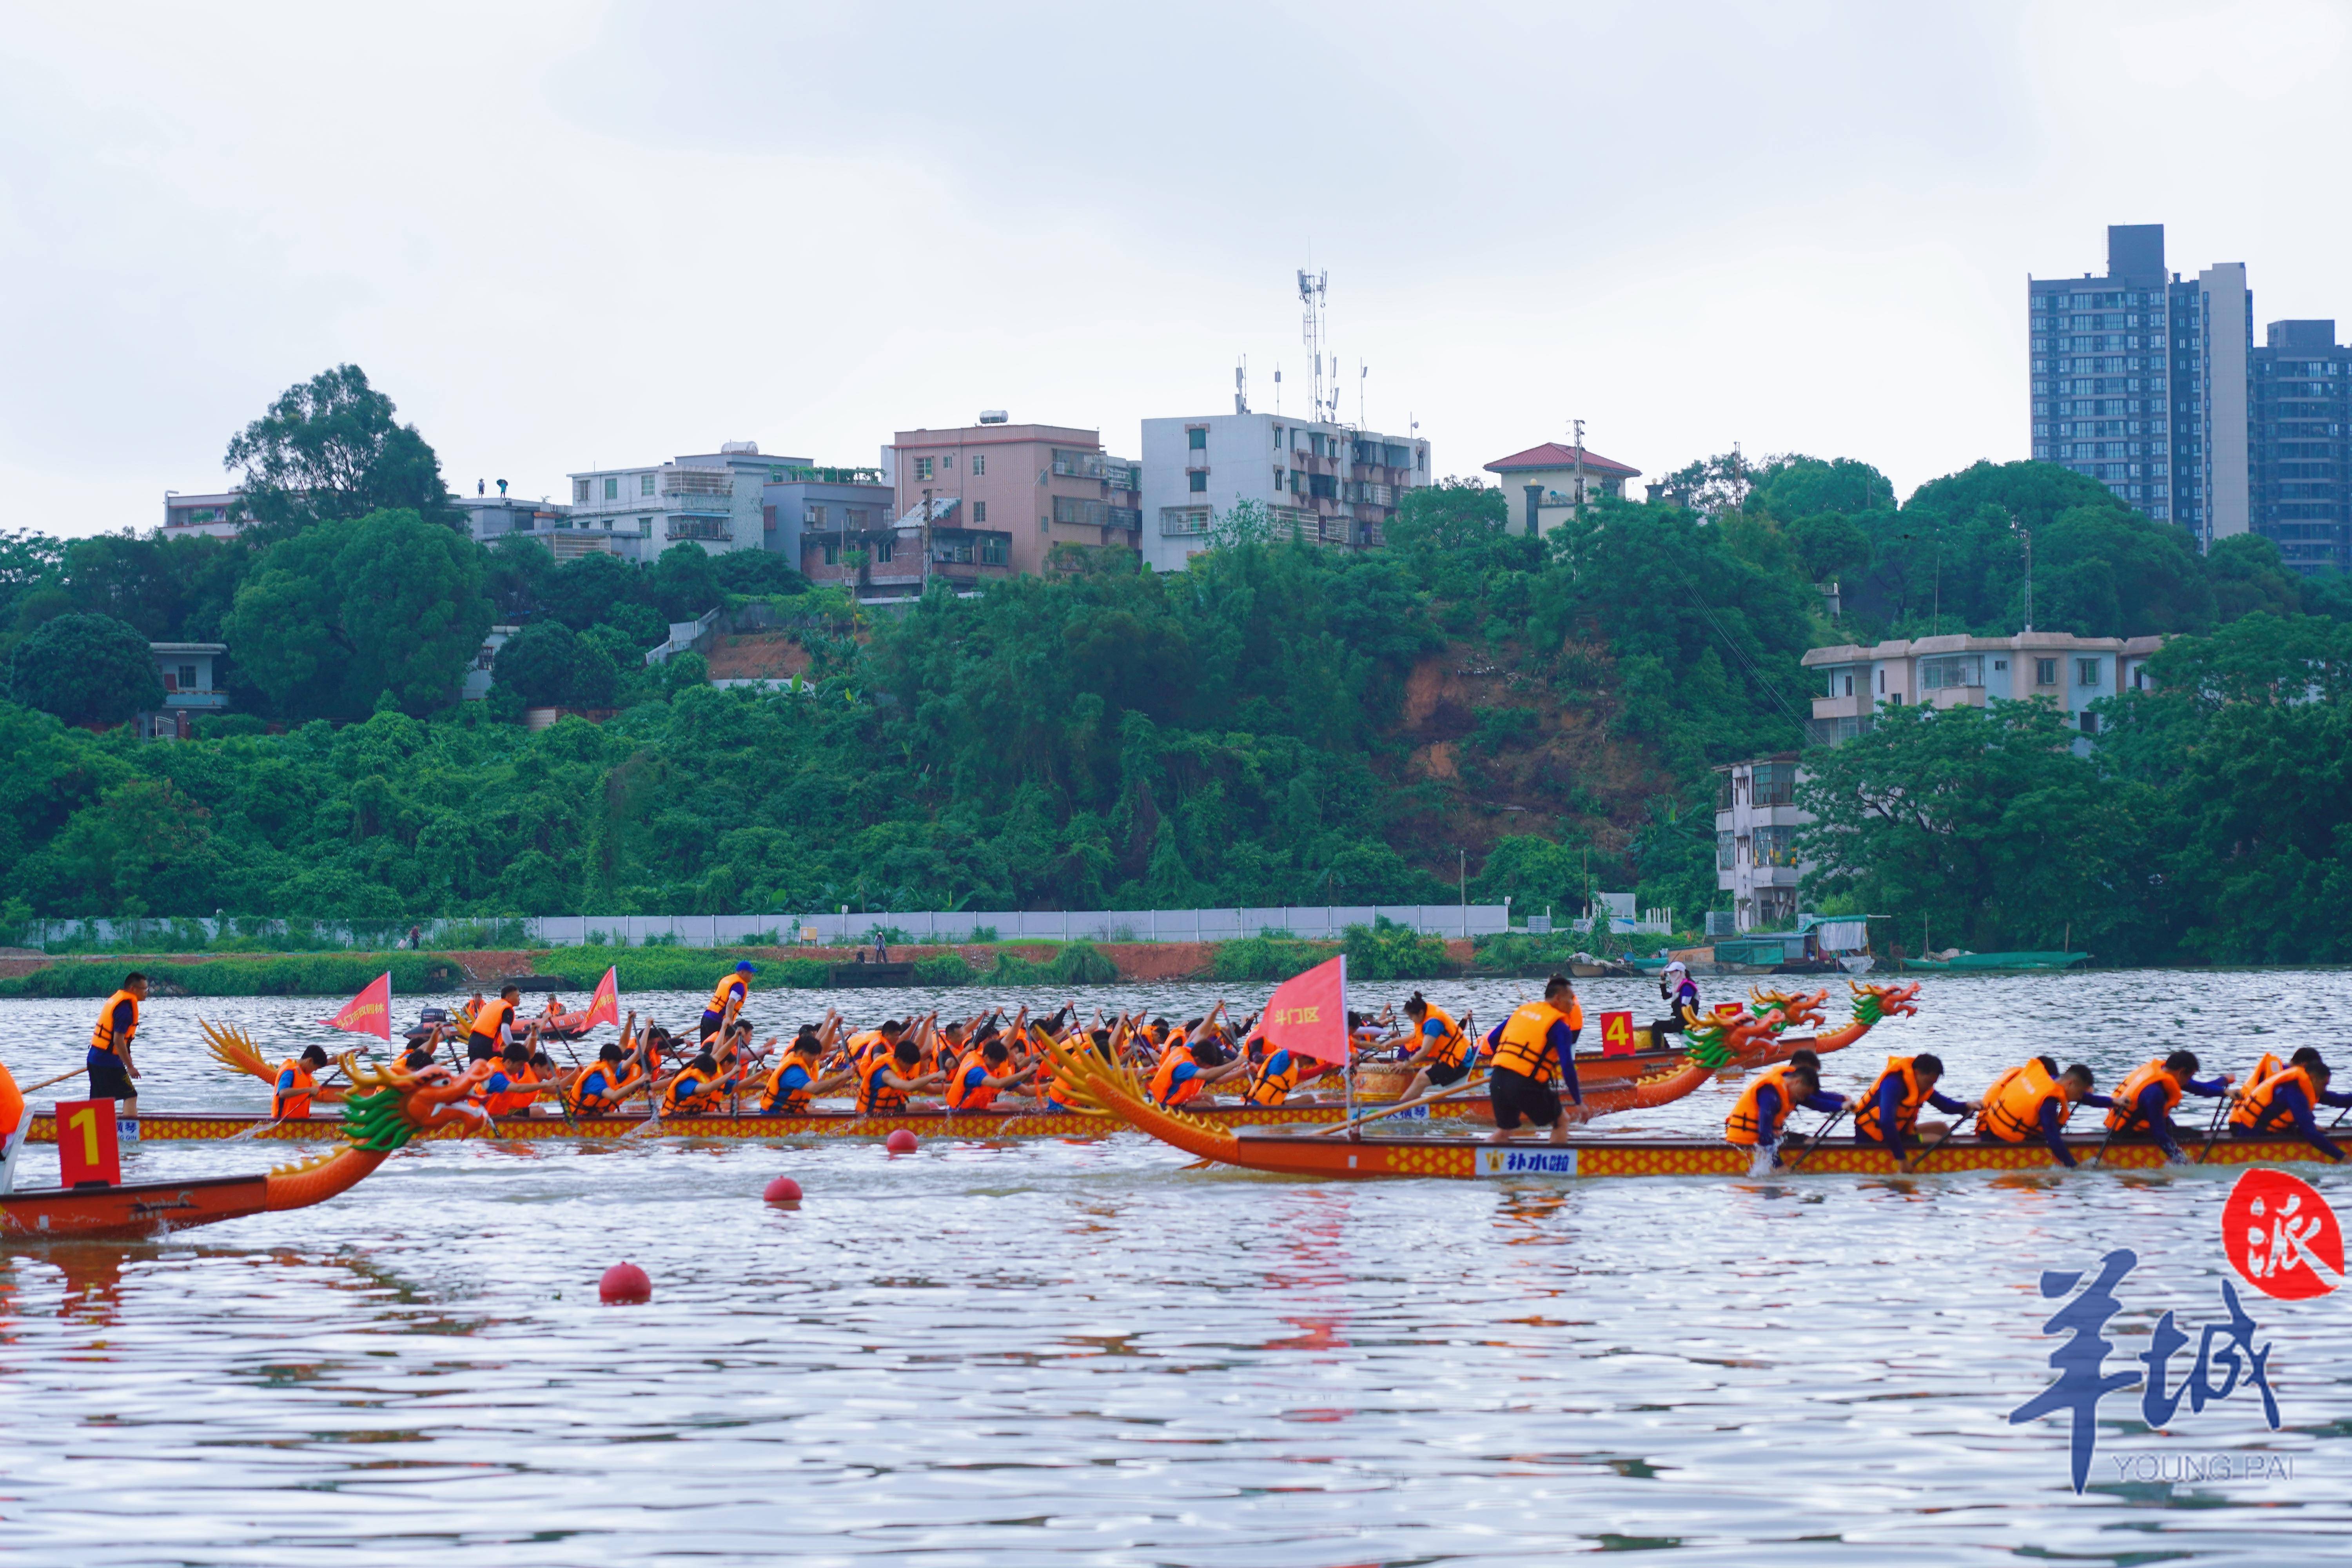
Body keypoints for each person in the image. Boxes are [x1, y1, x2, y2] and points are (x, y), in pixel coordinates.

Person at [1482, 974, 1583, 1145]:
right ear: (1558, 998)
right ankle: (1553, 1168)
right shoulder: (1560, 1027)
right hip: (1525, 1084)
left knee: (1504, 1131)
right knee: (1562, 1122)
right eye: (1571, 998)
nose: (1573, 1004)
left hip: (1498, 1078)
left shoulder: (1522, 1011)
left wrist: (1509, 1061)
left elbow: (1492, 1039)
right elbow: (1567, 1066)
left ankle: (1477, 1159)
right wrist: (1578, 1102)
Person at [1978, 1056, 2110, 1169]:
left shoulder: (2045, 1080)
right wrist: (2074, 1167)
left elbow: (2083, 1097)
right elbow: (2053, 1139)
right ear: (2070, 1084)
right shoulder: (2049, 1101)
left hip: (1989, 1129)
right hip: (2000, 1141)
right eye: (2081, 1093)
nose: (2080, 1098)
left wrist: (2114, 1102)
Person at [2104, 1049, 2234, 1163]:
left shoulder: (2165, 1073)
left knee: (2184, 1131)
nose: (2189, 1081)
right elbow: (2159, 1134)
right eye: (2190, 1077)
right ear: (2182, 1072)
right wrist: (2181, 1160)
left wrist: (2224, 1085)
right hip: (2126, 1134)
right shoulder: (2155, 1093)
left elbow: (2199, 1088)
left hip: (2120, 1127)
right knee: (2192, 1135)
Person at [1853, 1053, 1975, 1163]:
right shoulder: (1893, 1085)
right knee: (1937, 1139)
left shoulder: (1921, 1085)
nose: (1930, 1087)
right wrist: (1902, 1159)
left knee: (1942, 1128)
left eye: (1934, 1083)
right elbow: (1886, 1123)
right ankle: (1946, 1166)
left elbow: (1947, 1107)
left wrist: (1967, 1106)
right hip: (1873, 1138)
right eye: (1929, 1082)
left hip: (1899, 1132)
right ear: (1917, 1073)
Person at [1724, 1057, 1845, 1165]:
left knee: (1809, 1141)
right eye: (1804, 1095)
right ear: (1798, 1082)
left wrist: (1842, 1104)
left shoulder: (1790, 1088)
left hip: (1766, 1136)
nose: (1803, 1099)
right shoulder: (1771, 1094)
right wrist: (1778, 1166)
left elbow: (1816, 1103)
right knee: (1806, 1142)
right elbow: (1764, 1133)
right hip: (1747, 1141)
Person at [2230, 1053, 2350, 1161]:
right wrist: (2344, 1158)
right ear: (2313, 1078)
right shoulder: (2294, 1092)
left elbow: (2339, 1100)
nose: (2325, 1089)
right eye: (2324, 1084)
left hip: (2269, 1131)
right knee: (2311, 1132)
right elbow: (2311, 1134)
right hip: (2251, 1136)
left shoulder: (2307, 1087)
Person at [1392, 993, 1475, 1103]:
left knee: (1422, 1079)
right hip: (1455, 1059)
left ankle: (1397, 1108)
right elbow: (1411, 1037)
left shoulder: (1433, 1023)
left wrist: (1405, 1064)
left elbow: (1425, 1051)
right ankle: (1409, 1106)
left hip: (1461, 1062)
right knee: (1422, 1074)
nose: (1411, 1019)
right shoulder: (1425, 1017)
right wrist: (1390, 1044)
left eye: (1411, 1016)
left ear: (1421, 1013)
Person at [88, 972, 148, 1123]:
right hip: (108, 1062)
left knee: (100, 1100)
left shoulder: (120, 1002)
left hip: (95, 1058)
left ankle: (96, 1129)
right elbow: (118, 1041)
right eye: (144, 989)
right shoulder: (125, 1009)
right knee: (130, 1095)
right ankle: (130, 1135)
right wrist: (130, 1067)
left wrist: (127, 1059)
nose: (147, 993)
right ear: (133, 989)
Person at [945, 1038, 1037, 1111]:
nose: (998, 1066)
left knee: (1014, 1107)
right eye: (997, 1062)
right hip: (960, 1112)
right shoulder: (976, 1072)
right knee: (1012, 1107)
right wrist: (1026, 1072)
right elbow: (998, 1084)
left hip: (974, 1110)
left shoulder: (988, 1065)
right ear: (986, 1057)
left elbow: (1028, 1091)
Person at [566, 1041, 648, 1117]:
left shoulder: (610, 1072)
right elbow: (614, 1096)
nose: (617, 1066)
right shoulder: (595, 1079)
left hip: (595, 1112)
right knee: (626, 1117)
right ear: (605, 1061)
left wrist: (647, 1026)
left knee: (625, 1115)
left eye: (619, 1063)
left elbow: (636, 1052)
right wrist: (638, 1082)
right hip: (581, 1116)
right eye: (615, 1063)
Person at [857, 1038, 938, 1115]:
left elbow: (933, 1089)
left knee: (923, 1106)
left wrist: (951, 1088)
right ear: (899, 1060)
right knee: (923, 1108)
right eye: (909, 1064)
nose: (911, 1068)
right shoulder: (887, 1074)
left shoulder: (898, 1067)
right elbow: (908, 1087)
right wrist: (935, 1076)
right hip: (873, 1114)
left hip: (888, 1108)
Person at [659, 1047, 740, 1117]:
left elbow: (719, 1055)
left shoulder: (700, 1076)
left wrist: (736, 1036)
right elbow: (709, 1088)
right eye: (711, 1074)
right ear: (704, 1071)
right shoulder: (687, 1083)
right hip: (671, 1118)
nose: (712, 1077)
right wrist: (732, 1073)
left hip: (689, 1114)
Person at [481, 1042, 544, 1120]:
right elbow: (519, 1089)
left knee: (538, 1112)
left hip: (498, 1114)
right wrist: (546, 1084)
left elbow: (530, 1055)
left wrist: (534, 1034)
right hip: (484, 1117)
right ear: (508, 1062)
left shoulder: (508, 1069)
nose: (521, 1068)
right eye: (520, 1065)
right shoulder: (497, 1077)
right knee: (536, 1114)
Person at [272, 1044, 331, 1121]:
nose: (314, 1071)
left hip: (298, 1121)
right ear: (310, 1061)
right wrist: (308, 1090)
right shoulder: (290, 1072)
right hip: (283, 1122)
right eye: (315, 1068)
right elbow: (283, 1093)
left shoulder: (304, 1074)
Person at [1648, 962, 1698, 1052]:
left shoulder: (1687, 987)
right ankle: (1666, 1049)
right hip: (1681, 1020)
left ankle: (1658, 1051)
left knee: (1657, 1025)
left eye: (1673, 972)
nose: (1671, 975)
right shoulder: (1678, 986)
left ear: (1680, 973)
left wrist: (1674, 1022)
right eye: (1669, 973)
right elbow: (1665, 996)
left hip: (1686, 1022)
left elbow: (1684, 1008)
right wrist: (1663, 979)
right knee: (1659, 1025)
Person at [466, 984, 523, 1064]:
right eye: (517, 996)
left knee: (477, 1072)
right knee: (503, 1066)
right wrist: (513, 1049)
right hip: (486, 1044)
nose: (519, 999)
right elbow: (505, 1031)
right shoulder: (507, 1009)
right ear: (509, 997)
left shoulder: (491, 1005)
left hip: (472, 1042)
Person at [701, 962, 755, 1042]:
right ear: (742, 972)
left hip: (706, 1018)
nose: (752, 975)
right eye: (750, 973)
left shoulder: (728, 979)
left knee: (705, 1047)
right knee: (720, 1049)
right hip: (718, 1021)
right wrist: (729, 1022)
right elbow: (730, 1004)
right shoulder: (739, 986)